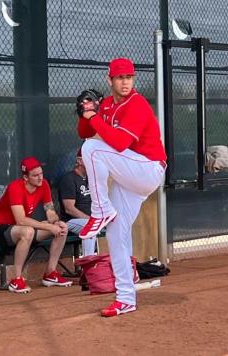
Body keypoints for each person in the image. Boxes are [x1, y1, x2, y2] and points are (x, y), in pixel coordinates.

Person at [77, 57, 167, 317]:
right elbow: (85, 130)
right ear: (110, 80)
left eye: (129, 77)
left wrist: (94, 117)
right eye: (120, 78)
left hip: (148, 168)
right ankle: (126, 298)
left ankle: (101, 207)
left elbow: (116, 142)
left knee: (92, 149)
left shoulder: (137, 104)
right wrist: (86, 111)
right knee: (116, 235)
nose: (125, 82)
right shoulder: (106, 104)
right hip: (129, 177)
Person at [0, 156, 72, 293]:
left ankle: (50, 273)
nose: (40, 178)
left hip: (21, 229)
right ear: (26, 177)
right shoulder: (15, 187)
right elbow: (20, 220)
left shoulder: (43, 185)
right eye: (35, 175)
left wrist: (55, 222)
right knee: (27, 231)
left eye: (41, 174)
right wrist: (49, 227)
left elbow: (50, 211)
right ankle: (17, 279)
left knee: (63, 228)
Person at [58, 148, 95, 256]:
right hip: (70, 221)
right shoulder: (69, 179)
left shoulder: (91, 178)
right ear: (79, 161)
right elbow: (69, 209)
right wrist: (91, 220)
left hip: (90, 219)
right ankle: (89, 265)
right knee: (90, 227)